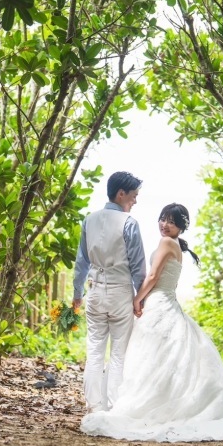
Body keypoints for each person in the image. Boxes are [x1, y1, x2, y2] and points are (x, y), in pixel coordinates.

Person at [80, 203, 223, 441]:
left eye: (171, 222)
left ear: (180, 227)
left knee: (151, 356)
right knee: (160, 359)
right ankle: (157, 400)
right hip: (167, 302)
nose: (164, 225)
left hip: (159, 304)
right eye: (162, 219)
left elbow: (153, 276)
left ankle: (140, 404)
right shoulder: (176, 245)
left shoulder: (167, 243)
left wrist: (137, 299)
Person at [73, 172, 147, 413]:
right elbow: (138, 268)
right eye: (134, 196)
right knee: (118, 353)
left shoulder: (89, 220)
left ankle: (94, 407)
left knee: (94, 350)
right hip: (119, 294)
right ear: (121, 194)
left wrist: (77, 295)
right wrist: (140, 299)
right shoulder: (129, 223)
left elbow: (81, 263)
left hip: (94, 292)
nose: (135, 201)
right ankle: (115, 408)